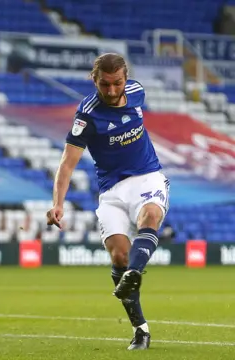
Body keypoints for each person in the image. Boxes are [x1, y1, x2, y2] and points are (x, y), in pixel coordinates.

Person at [46, 53, 170, 350]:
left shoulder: (138, 92)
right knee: (118, 257)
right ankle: (140, 329)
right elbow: (67, 163)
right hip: (111, 190)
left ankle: (135, 274)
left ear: (126, 80)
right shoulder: (86, 116)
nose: (112, 91)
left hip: (147, 176)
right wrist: (58, 203)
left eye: (117, 84)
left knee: (150, 217)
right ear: (95, 80)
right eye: (105, 85)